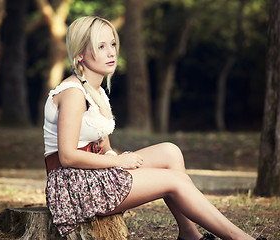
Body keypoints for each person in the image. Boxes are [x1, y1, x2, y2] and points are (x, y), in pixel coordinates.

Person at [43, 16, 260, 240]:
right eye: (101, 46)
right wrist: (118, 162)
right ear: (80, 54)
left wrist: (112, 157)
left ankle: (189, 234)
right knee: (175, 181)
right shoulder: (72, 93)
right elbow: (67, 156)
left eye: (113, 44)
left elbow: (103, 144)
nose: (111, 52)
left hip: (92, 174)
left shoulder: (94, 91)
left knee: (170, 151)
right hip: (72, 187)